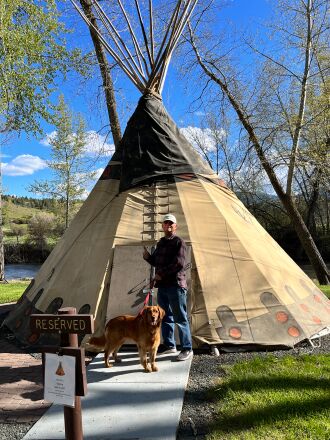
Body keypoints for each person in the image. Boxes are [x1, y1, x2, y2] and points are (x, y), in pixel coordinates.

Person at [143, 213, 193, 361]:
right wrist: (148, 258)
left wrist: (161, 274)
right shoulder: (161, 243)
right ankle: (170, 345)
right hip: (163, 286)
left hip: (175, 285)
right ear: (163, 226)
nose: (168, 225)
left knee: (180, 317)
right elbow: (157, 262)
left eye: (171, 223)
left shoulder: (179, 242)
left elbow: (179, 264)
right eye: (166, 223)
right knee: (165, 317)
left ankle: (187, 348)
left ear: (175, 226)